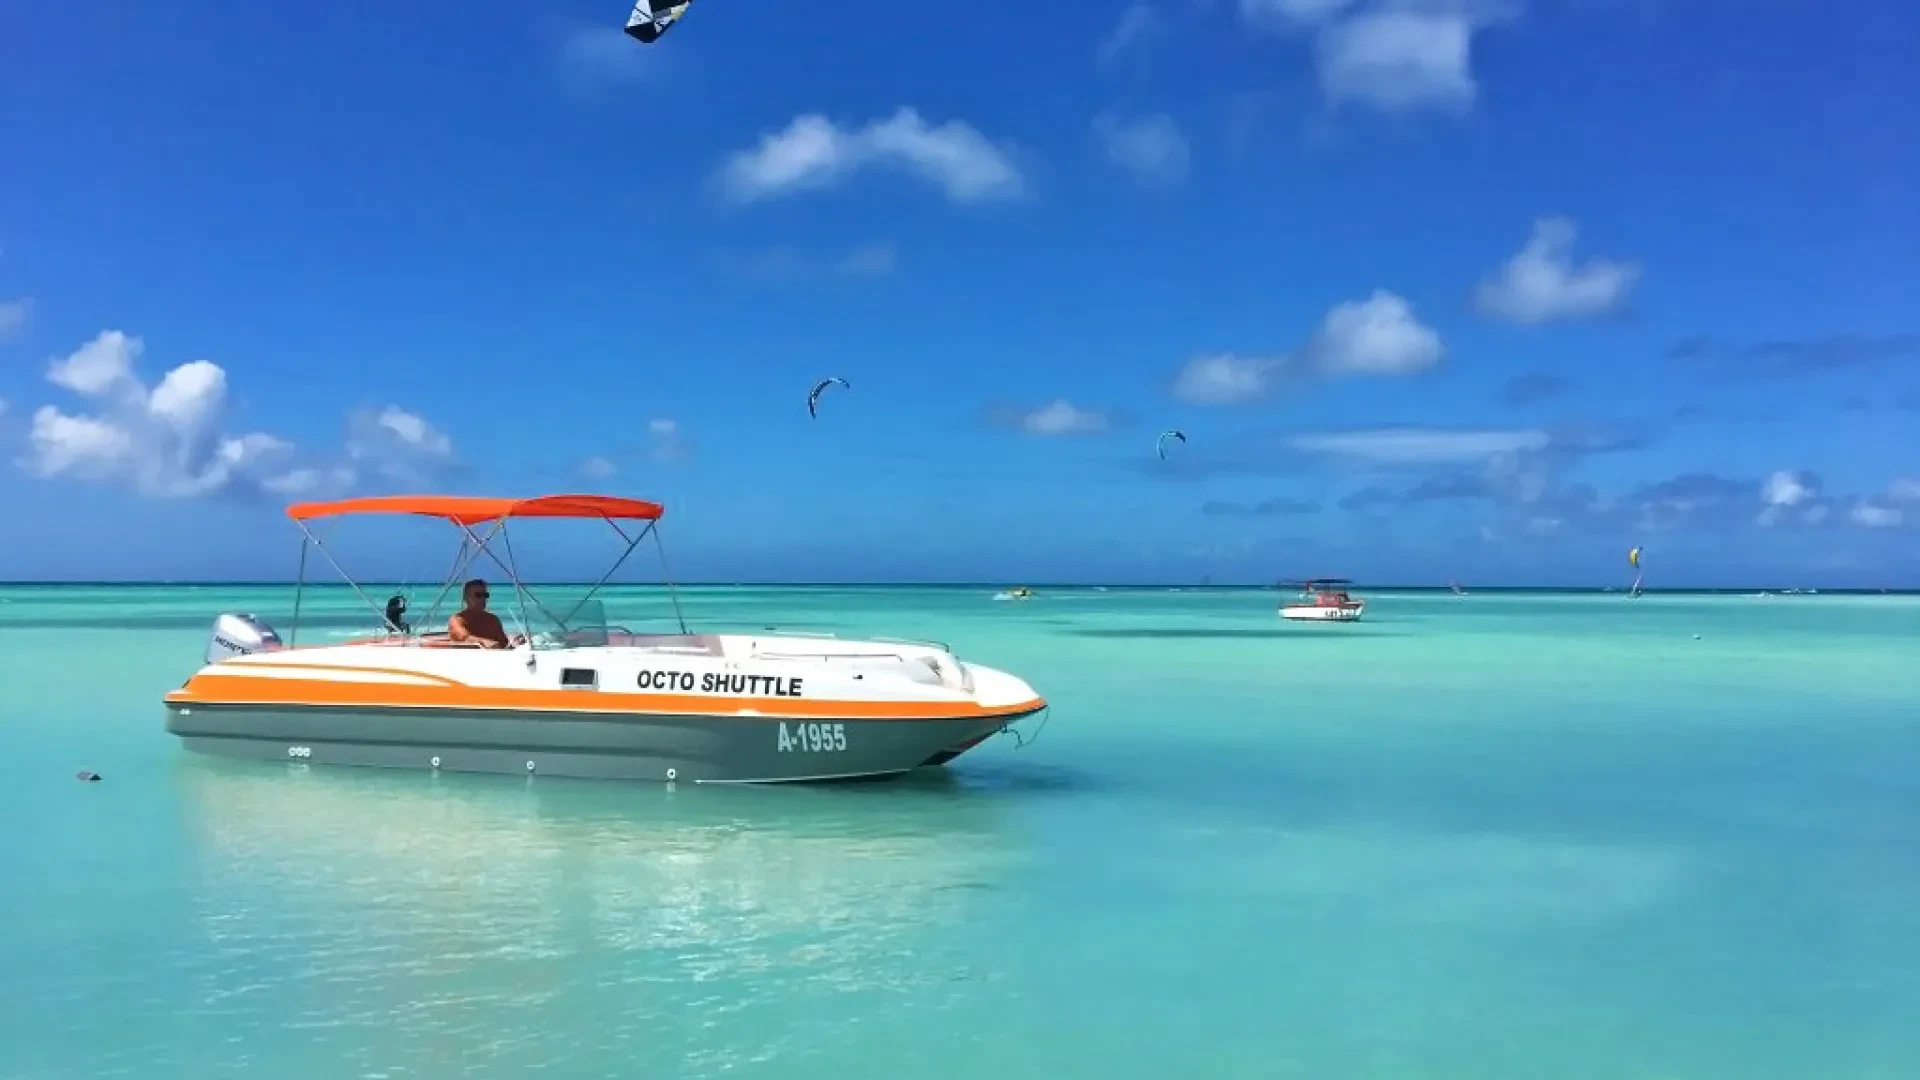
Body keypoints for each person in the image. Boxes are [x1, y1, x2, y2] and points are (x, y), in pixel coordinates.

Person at [448, 578, 511, 648]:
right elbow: (464, 637)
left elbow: (504, 642)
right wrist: (484, 642)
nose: (483, 598)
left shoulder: (493, 620)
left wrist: (517, 642)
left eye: (485, 595)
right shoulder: (456, 620)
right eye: (478, 595)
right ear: (465, 598)